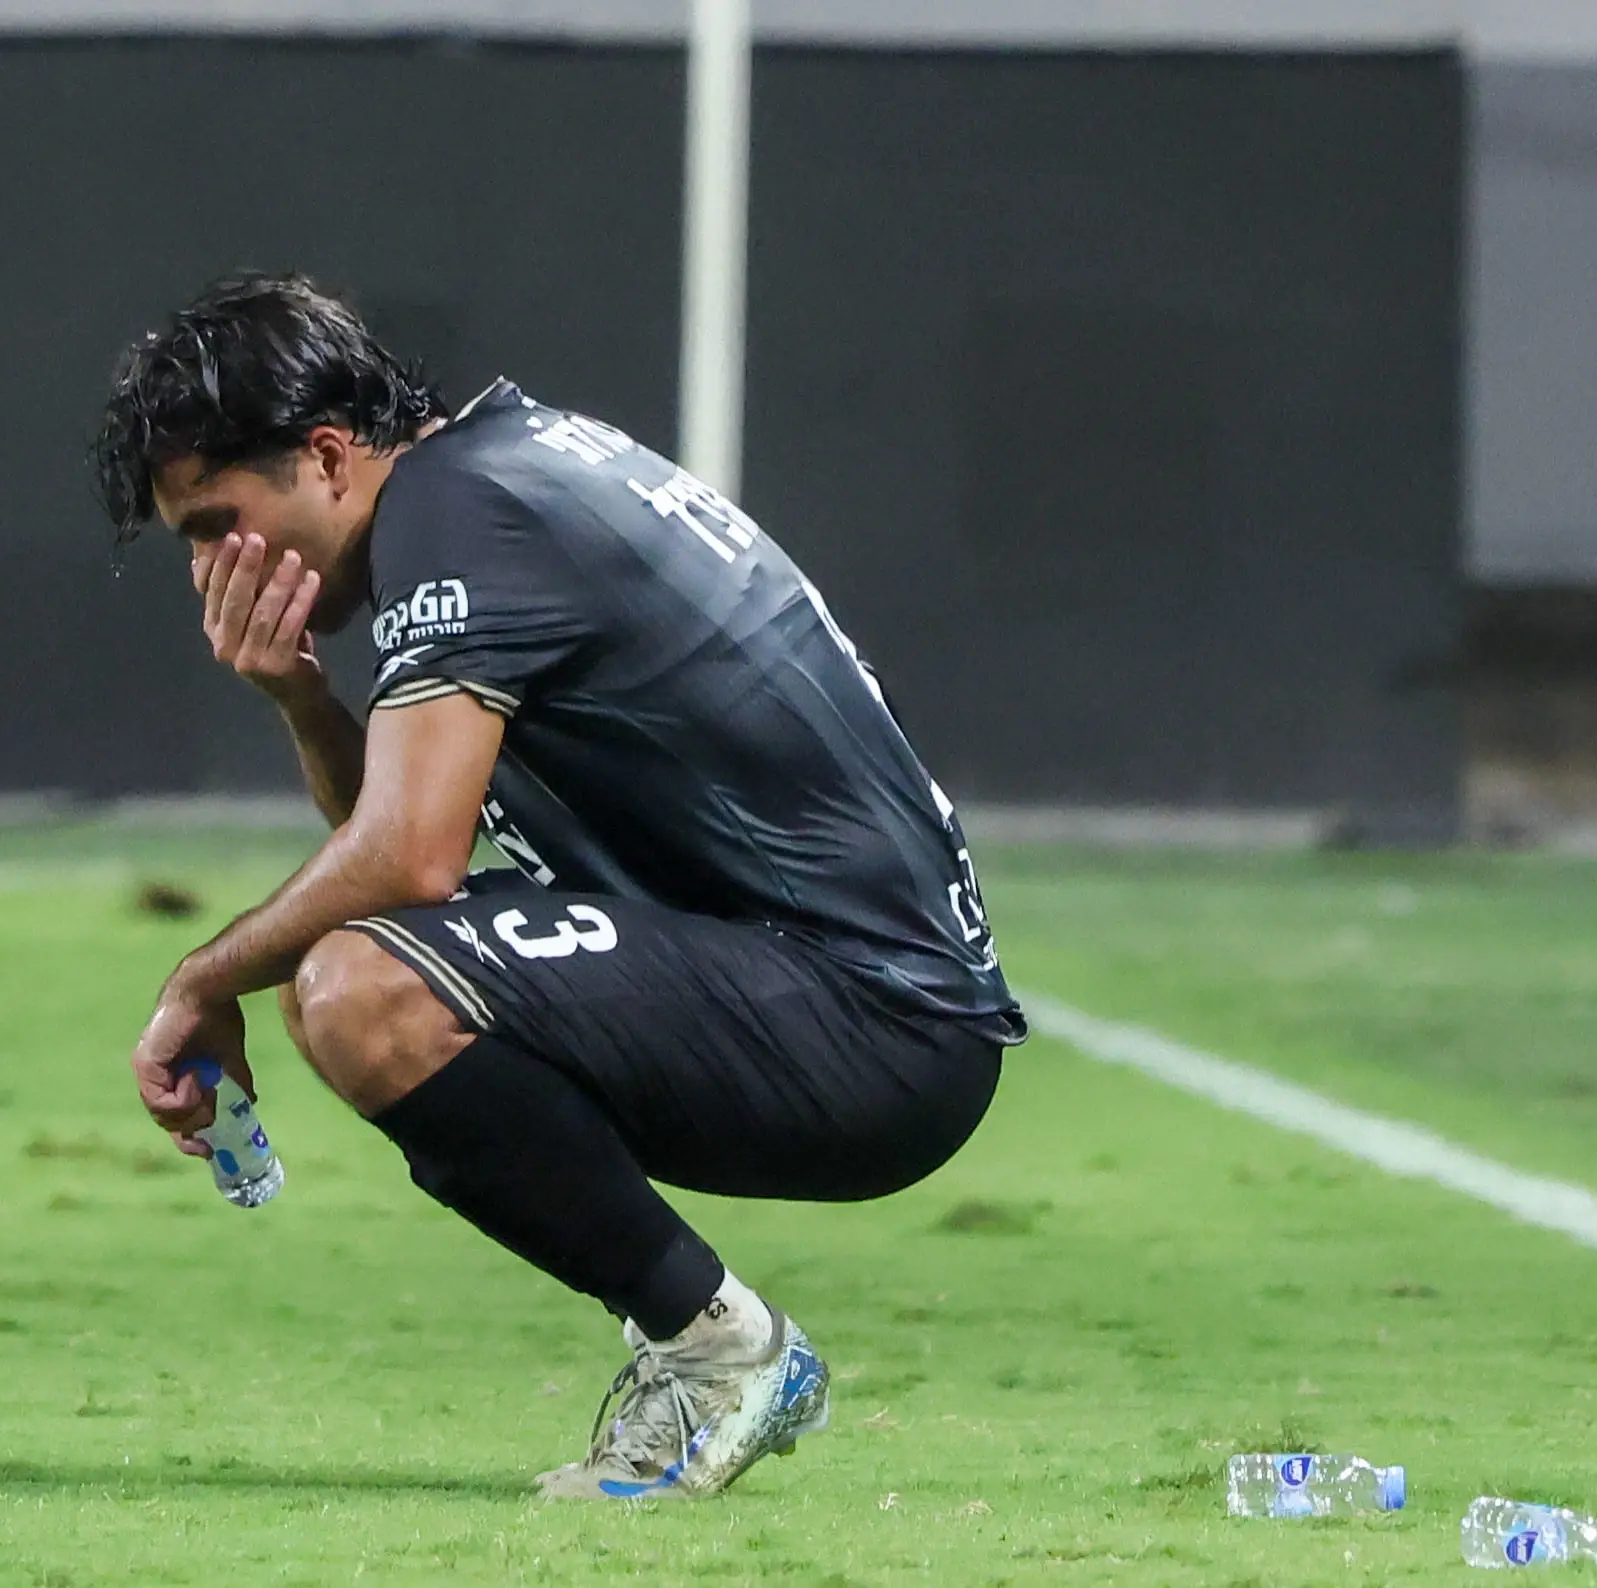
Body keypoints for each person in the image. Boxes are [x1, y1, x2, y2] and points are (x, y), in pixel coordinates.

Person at [90, 273, 1023, 1500]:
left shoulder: (457, 512)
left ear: (324, 456)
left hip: (871, 1018)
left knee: (359, 992)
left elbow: (409, 861)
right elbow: (404, 865)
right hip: (841, 983)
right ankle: (709, 1346)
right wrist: (304, 698)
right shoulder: (492, 471)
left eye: (217, 523)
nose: (212, 567)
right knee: (364, 974)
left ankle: (718, 1356)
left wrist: (199, 980)